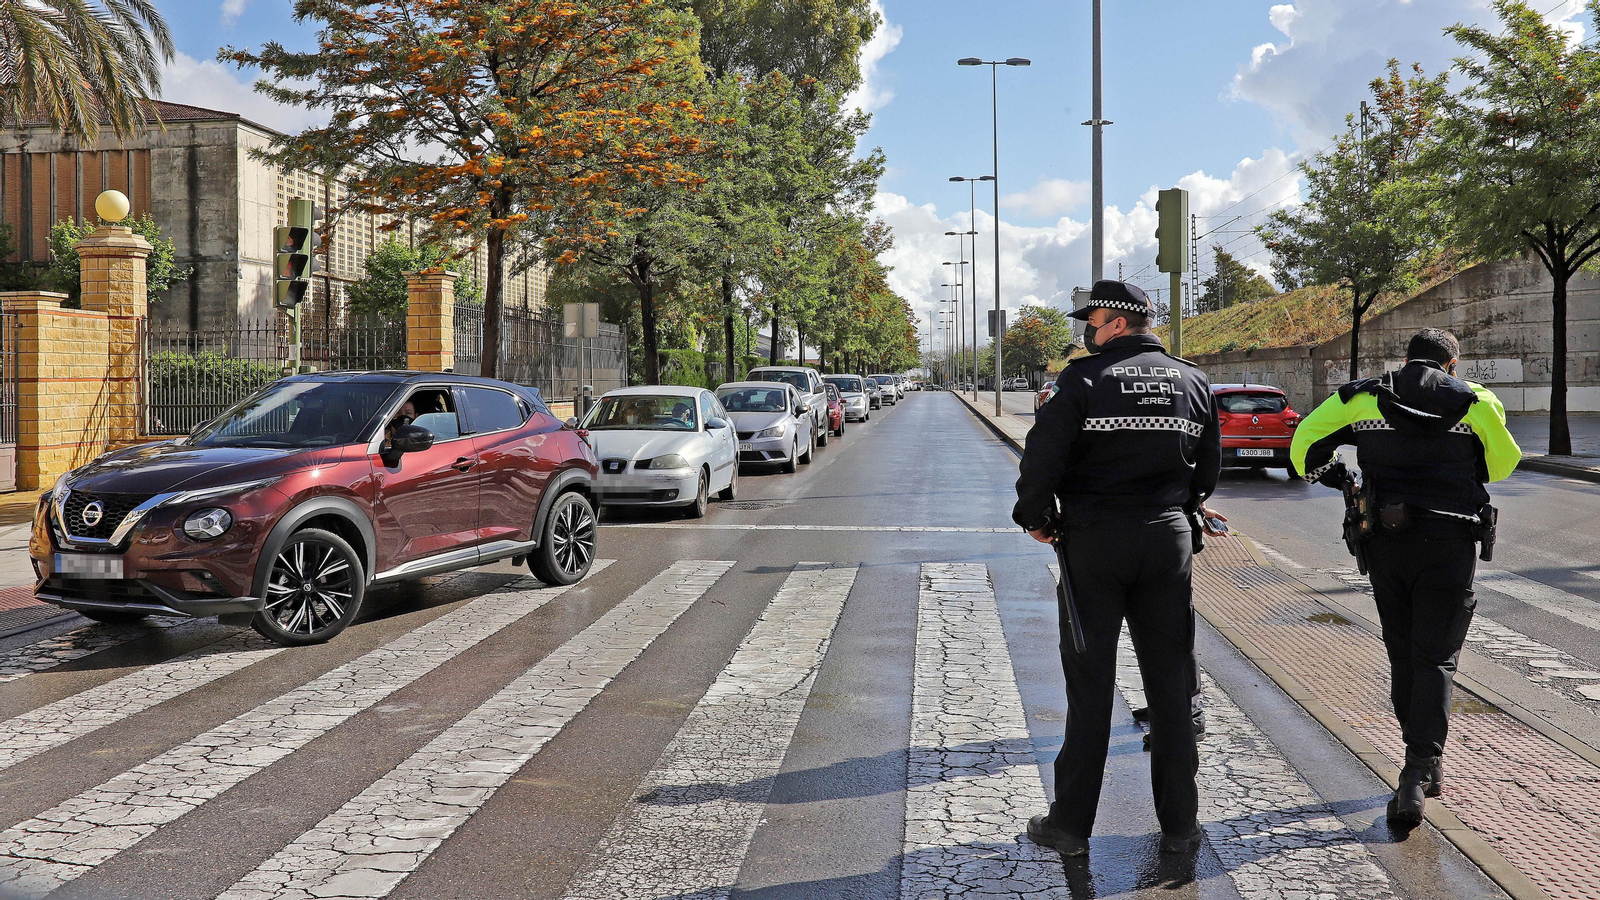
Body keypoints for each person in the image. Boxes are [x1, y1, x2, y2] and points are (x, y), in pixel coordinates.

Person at [1013, 280, 1224, 858]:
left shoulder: (1082, 379)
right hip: (1167, 541)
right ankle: (1180, 826)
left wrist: (1035, 517)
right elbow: (1209, 469)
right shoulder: (1193, 381)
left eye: (1093, 320)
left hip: (1095, 541)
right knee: (1171, 687)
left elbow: (1043, 456)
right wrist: (1180, 505)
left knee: (1091, 686)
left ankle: (1070, 826)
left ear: (1118, 323)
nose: (1087, 329)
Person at [1291, 327, 1519, 827]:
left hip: (1386, 542)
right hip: (1449, 545)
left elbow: (1304, 445)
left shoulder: (1362, 397)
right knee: (1435, 657)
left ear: (1407, 358)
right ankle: (1419, 769)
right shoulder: (1476, 401)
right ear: (1452, 364)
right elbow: (1503, 465)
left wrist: (1336, 476)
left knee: (1401, 650)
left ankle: (1420, 763)